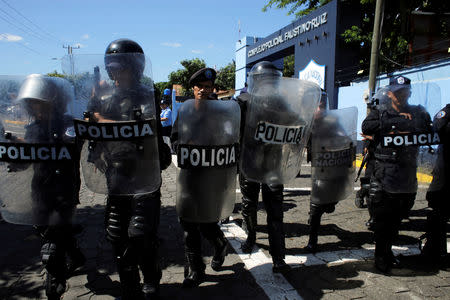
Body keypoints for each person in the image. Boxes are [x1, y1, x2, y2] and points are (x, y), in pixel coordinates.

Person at [86, 39, 171, 299]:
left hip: (144, 172)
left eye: (120, 67)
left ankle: (151, 278)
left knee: (140, 233)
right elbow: (93, 132)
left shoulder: (147, 94)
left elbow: (142, 130)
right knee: (116, 235)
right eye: (111, 67)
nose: (115, 72)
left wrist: (102, 119)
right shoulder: (102, 96)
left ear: (134, 68)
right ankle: (129, 283)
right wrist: (95, 146)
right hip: (116, 175)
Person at [2, 75, 85, 300]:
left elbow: (76, 144)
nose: (36, 108)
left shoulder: (68, 124)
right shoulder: (32, 129)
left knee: (54, 237)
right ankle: (75, 255)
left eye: (40, 102)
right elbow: (25, 161)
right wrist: (14, 150)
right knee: (46, 230)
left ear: (53, 101)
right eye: (32, 103)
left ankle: (55, 281)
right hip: (40, 190)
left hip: (64, 189)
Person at [362, 75, 433, 273]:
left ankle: (388, 252)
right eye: (397, 92)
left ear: (409, 93)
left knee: (399, 217)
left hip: (407, 171)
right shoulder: (380, 112)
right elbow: (367, 127)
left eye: (405, 92)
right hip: (385, 172)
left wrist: (403, 127)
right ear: (390, 94)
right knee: (383, 218)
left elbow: (427, 128)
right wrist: (399, 121)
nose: (401, 96)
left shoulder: (417, 111)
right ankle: (381, 255)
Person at [171, 68, 230, 288]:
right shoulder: (185, 111)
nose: (204, 91)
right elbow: (174, 139)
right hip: (189, 177)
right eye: (200, 87)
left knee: (206, 223)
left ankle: (220, 244)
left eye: (208, 87)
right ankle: (196, 270)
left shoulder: (221, 112)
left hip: (211, 177)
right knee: (187, 224)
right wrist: (184, 147)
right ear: (193, 89)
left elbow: (229, 139)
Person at [236, 61, 289, 273]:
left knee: (275, 211)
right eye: (264, 81)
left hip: (273, 164)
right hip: (249, 162)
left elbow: (295, 124)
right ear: (256, 82)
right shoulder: (243, 101)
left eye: (271, 81)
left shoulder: (282, 103)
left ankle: (279, 256)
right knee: (249, 205)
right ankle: (250, 237)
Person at [304, 92, 357, 253]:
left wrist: (334, 146)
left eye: (321, 106)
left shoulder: (332, 121)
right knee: (316, 206)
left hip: (333, 167)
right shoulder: (307, 123)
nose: (318, 110)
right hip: (318, 169)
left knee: (329, 204)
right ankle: (312, 240)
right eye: (315, 106)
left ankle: (321, 211)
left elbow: (345, 139)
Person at [422, 103, 450, 265]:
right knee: (437, 206)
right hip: (446, 166)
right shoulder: (448, 111)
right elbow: (438, 126)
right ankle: (434, 249)